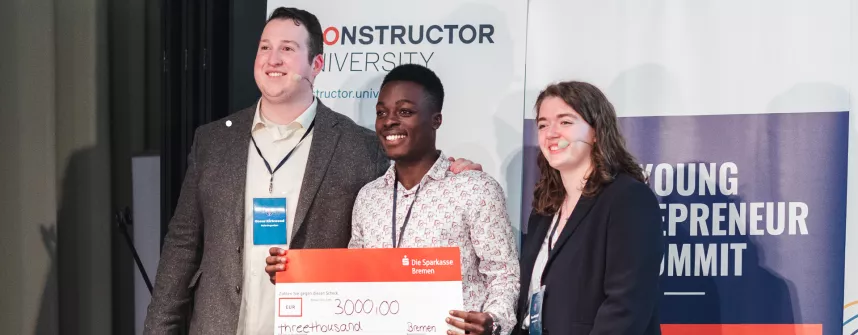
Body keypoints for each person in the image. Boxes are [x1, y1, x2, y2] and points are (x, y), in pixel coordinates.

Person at [143, 7, 480, 335]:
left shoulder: (360, 147)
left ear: (317, 64)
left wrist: (451, 174)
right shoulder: (214, 140)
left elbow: (406, 206)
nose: (272, 59)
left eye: (287, 49)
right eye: (265, 48)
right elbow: (183, 244)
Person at [266, 64, 519, 335]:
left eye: (405, 112)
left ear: (436, 119)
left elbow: (503, 275)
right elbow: (353, 281)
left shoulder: (475, 189)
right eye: (381, 113)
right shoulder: (368, 197)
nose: (388, 121)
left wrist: (492, 322)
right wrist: (293, 276)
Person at [512, 81, 663, 334]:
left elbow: (625, 307)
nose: (551, 133)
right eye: (543, 124)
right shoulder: (544, 210)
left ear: (596, 132)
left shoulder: (628, 199)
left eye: (565, 122)